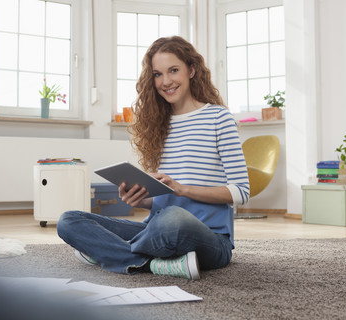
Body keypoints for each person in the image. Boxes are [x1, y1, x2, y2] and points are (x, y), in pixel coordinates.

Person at [57, 36, 249, 280]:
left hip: (209, 240)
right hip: (154, 229)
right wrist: (139, 200)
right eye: (157, 74)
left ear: (191, 70)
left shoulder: (218, 118)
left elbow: (241, 191)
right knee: (69, 220)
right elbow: (161, 199)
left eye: (173, 70)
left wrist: (183, 190)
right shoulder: (157, 124)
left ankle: (108, 252)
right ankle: (153, 263)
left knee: (174, 219)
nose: (166, 81)